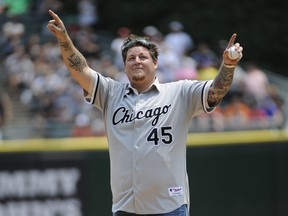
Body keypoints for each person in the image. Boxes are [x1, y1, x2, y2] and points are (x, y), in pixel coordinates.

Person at [47, 10, 243, 216]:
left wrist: (228, 65)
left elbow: (216, 92)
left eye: (143, 57)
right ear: (124, 66)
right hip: (125, 207)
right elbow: (80, 70)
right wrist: (64, 40)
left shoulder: (179, 92)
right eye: (131, 58)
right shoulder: (110, 93)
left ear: (155, 63)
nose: (137, 61)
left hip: (169, 206)